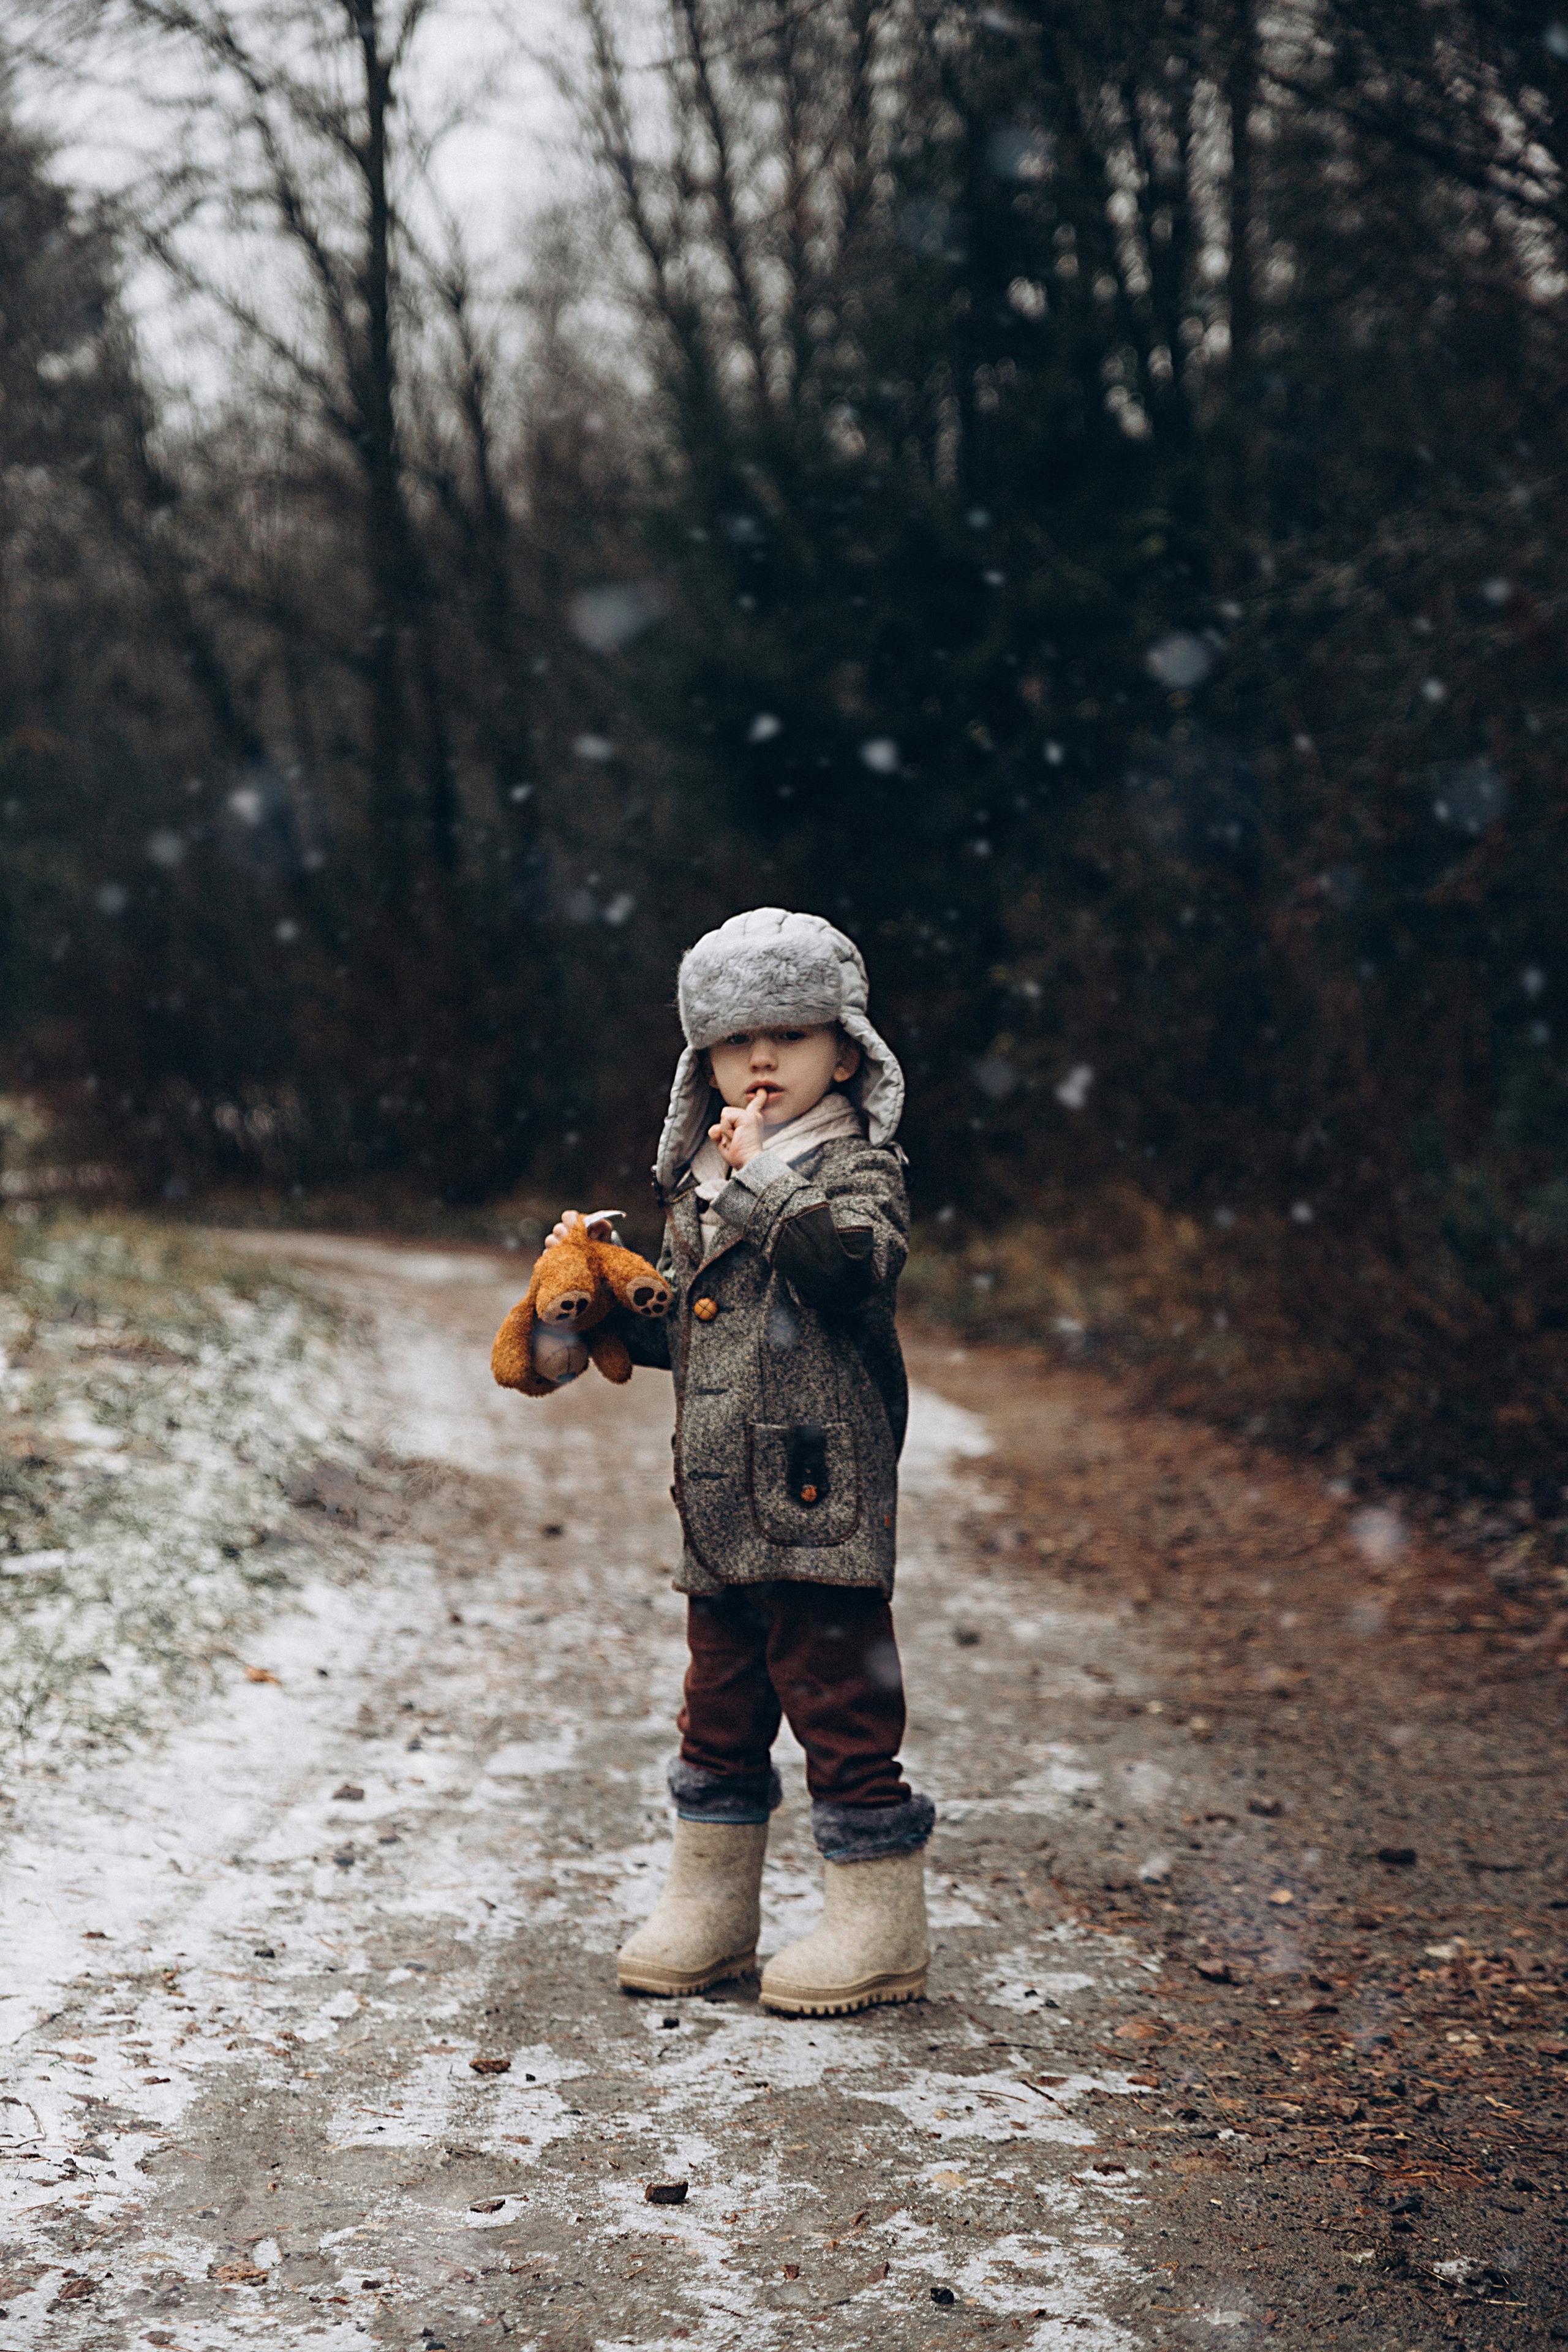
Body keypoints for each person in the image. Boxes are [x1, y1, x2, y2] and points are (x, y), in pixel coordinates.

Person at [540, 907, 933, 2016]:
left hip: (820, 1499)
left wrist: (760, 1183)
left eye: (793, 1035)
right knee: (718, 1709)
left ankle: (880, 1922)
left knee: (841, 1710)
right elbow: (707, 1328)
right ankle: (714, 1906)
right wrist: (605, 1315)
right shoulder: (700, 1181)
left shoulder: (859, 1169)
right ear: (702, 1057)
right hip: (719, 1508)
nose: (761, 1061)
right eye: (733, 1042)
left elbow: (847, 1279)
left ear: (846, 1049)